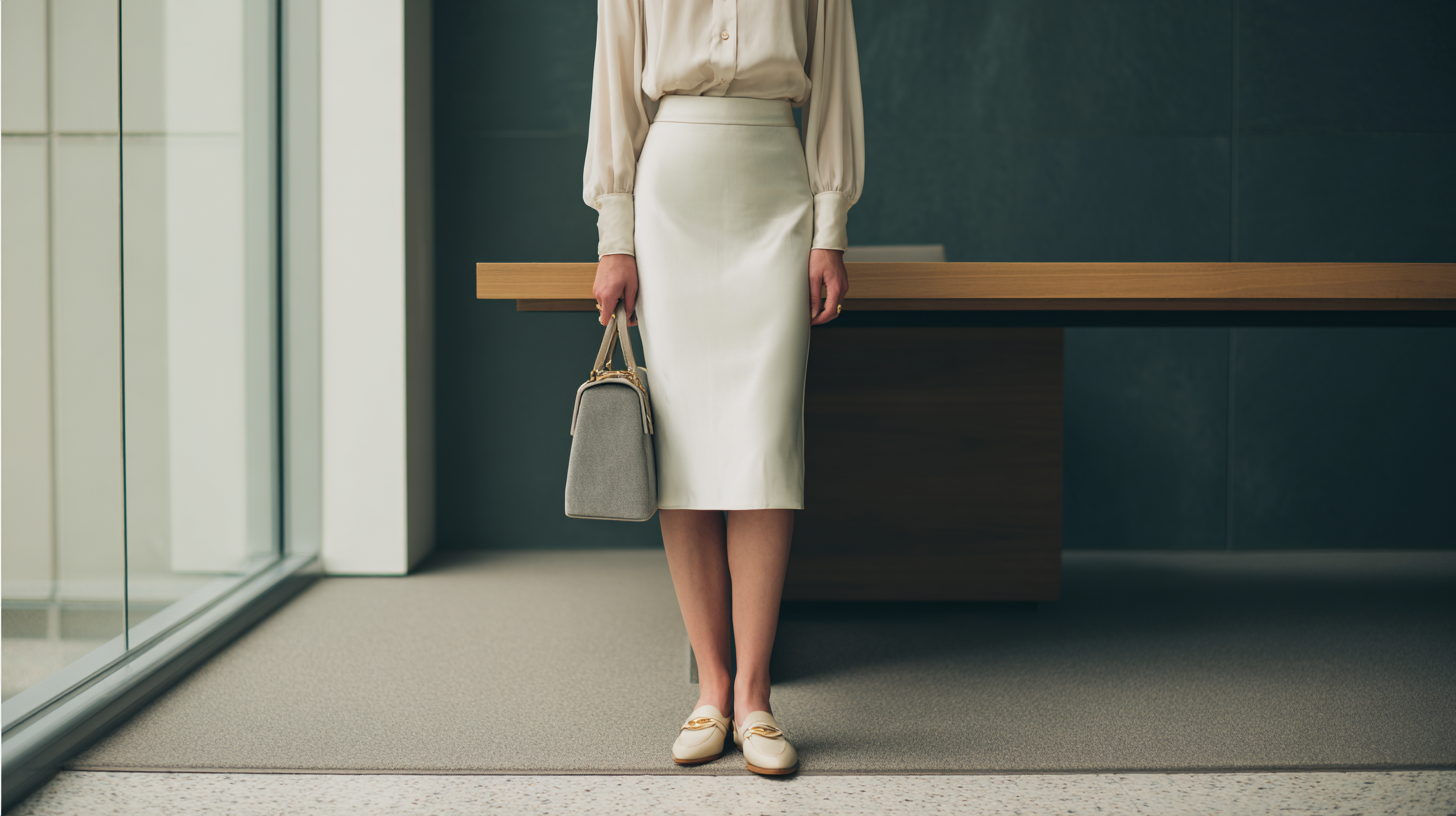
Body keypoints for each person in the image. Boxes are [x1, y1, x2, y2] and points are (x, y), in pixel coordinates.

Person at [582, 0, 864, 776]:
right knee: (684, 451)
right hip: (670, 195)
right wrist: (616, 236)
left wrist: (829, 227)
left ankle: (756, 695)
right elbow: (616, 85)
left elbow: (835, 77)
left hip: (778, 188)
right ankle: (711, 689)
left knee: (766, 446)